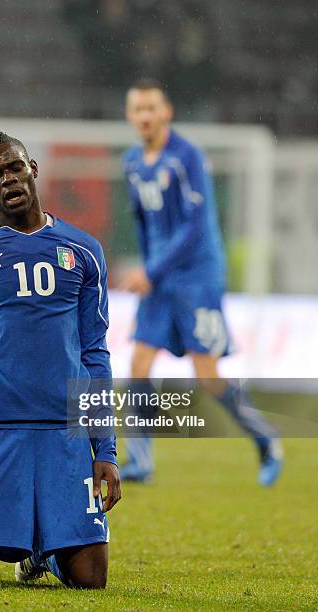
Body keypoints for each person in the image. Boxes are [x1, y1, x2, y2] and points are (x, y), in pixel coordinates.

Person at [0, 131, 121, 589]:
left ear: (33, 168)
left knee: (90, 578)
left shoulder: (83, 251)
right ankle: (9, 543)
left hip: (61, 434)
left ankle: (42, 554)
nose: (8, 179)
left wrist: (105, 450)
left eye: (14, 167)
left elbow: (95, 354)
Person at [119, 79, 283, 486]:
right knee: (138, 362)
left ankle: (267, 440)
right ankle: (141, 461)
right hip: (159, 276)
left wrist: (151, 271)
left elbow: (195, 226)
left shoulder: (186, 157)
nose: (144, 116)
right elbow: (142, 222)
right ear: (130, 116)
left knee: (207, 375)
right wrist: (148, 271)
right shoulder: (133, 163)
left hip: (197, 276)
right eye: (137, 109)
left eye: (151, 108)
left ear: (166, 112)